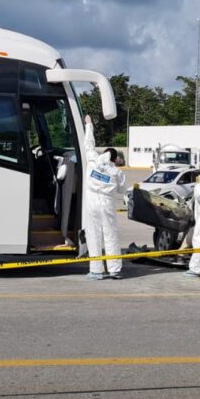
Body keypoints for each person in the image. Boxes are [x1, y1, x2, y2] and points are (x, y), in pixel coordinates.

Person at [82, 116, 126, 279]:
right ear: (114, 159)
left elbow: (89, 144)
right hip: (107, 204)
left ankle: (96, 270)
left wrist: (89, 125)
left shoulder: (93, 160)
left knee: (94, 235)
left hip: (92, 202)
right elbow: (121, 190)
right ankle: (114, 269)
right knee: (110, 235)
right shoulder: (118, 172)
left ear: (104, 153)